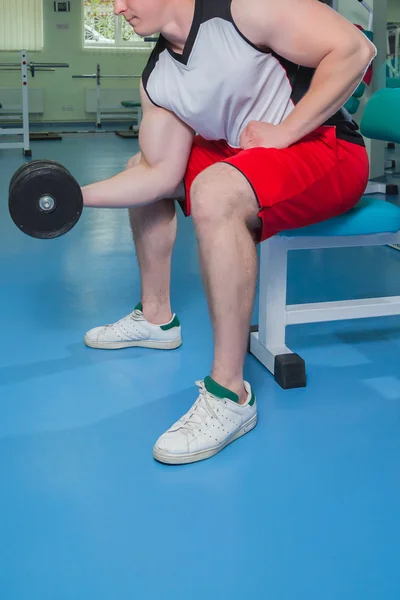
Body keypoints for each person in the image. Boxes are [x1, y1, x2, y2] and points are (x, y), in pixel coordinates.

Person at [81, 0, 376, 465]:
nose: (117, 9)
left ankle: (230, 395)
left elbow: (356, 49)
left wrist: (286, 131)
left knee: (214, 191)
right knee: (138, 167)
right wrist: (71, 196)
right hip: (246, 152)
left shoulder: (244, 8)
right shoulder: (157, 78)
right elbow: (159, 177)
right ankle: (156, 318)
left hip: (324, 147)